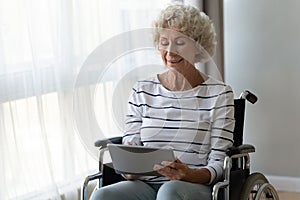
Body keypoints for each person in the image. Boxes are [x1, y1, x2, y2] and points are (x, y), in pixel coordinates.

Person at [91, 4, 234, 200]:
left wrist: (189, 174)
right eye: (164, 42)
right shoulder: (142, 90)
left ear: (198, 45)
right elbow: (131, 143)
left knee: (169, 192)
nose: (170, 51)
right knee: (102, 195)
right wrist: (130, 169)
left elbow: (220, 164)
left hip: (194, 187)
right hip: (145, 185)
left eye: (180, 42)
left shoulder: (219, 94)